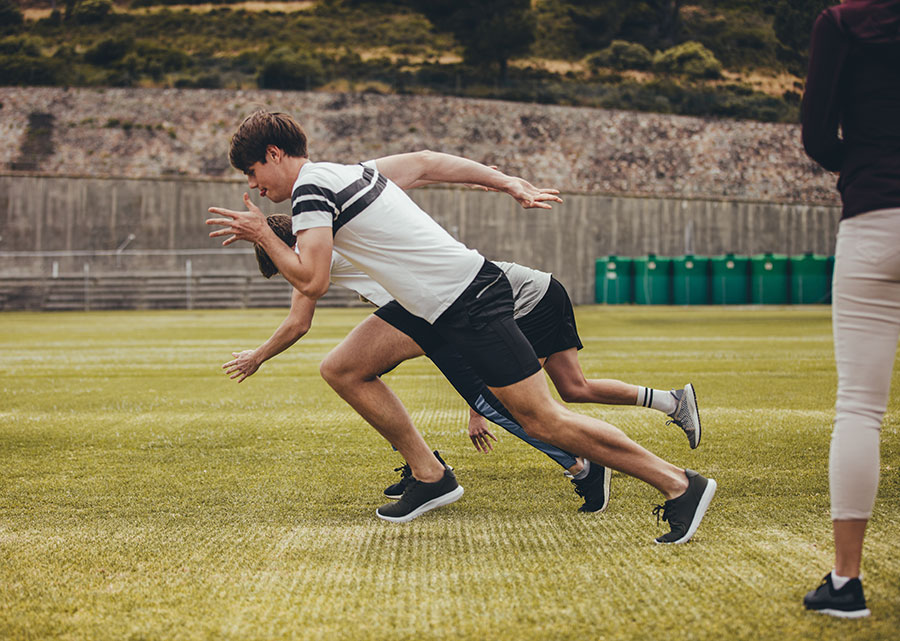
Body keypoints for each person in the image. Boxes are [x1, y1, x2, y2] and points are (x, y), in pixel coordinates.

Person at [207, 111, 716, 542]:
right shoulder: (348, 172)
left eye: (253, 173)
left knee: (544, 419)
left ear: (274, 154)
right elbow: (428, 162)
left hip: (465, 301)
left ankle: (678, 484)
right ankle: (430, 475)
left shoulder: (311, 190)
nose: (254, 186)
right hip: (430, 306)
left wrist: (263, 234)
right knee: (343, 368)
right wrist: (506, 181)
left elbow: (311, 280)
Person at [232, 213, 701, 514]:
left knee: (523, 410)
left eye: (282, 259)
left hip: (522, 300)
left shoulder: (322, 242)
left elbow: (300, 320)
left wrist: (257, 356)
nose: (290, 273)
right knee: (568, 391)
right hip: (523, 292)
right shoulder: (332, 238)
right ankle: (666, 407)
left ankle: (597, 466)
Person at [800, 0, 900, 619]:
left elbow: (816, 135)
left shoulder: (842, 23)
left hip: (875, 217)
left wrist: (860, 166)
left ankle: (846, 582)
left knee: (860, 407)